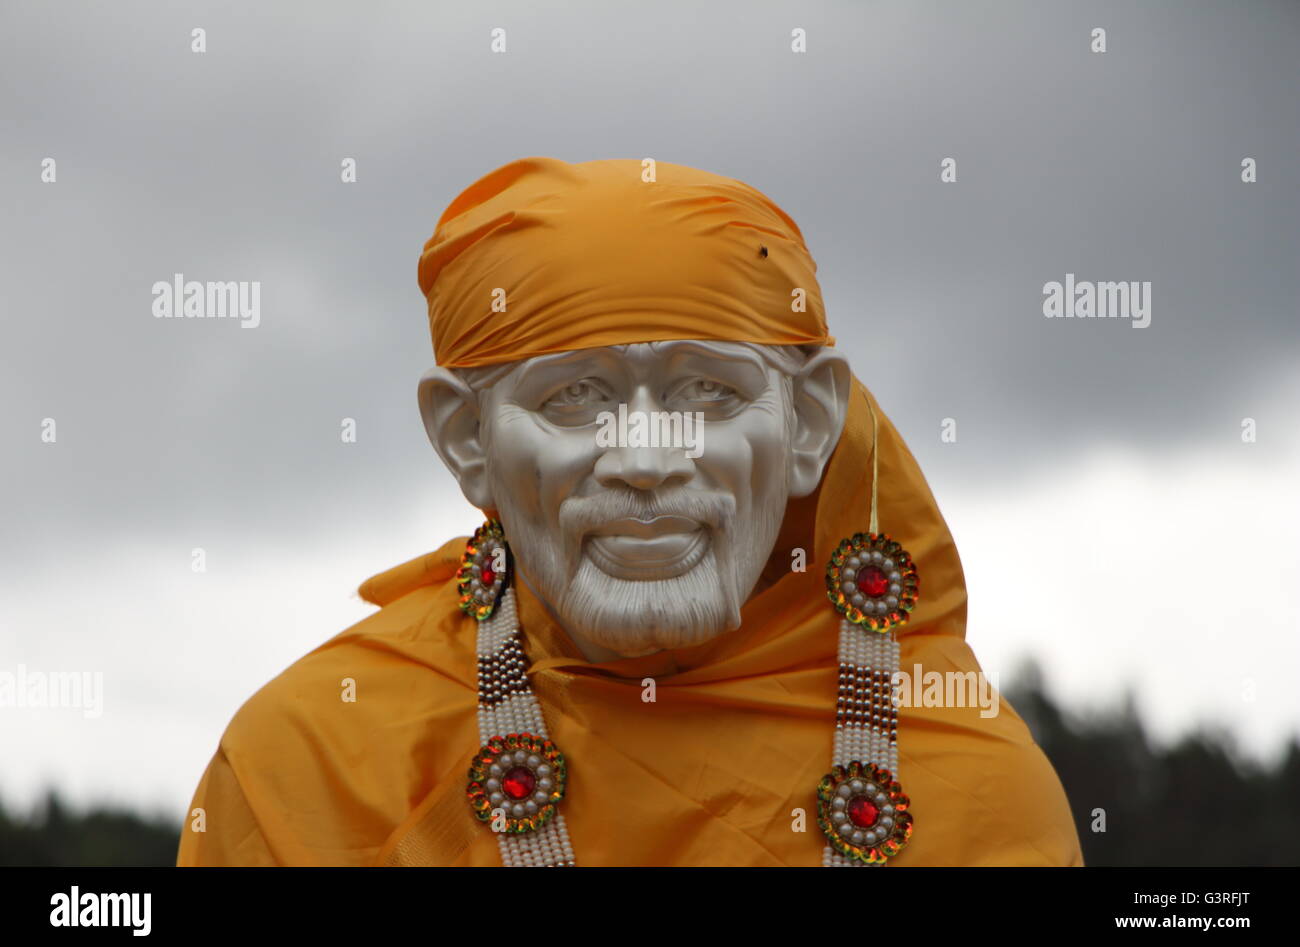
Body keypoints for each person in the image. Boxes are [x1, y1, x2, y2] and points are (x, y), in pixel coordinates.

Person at [178, 157, 1082, 866]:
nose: (647, 462)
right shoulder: (311, 761)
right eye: (573, 397)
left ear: (807, 424)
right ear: (465, 438)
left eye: (712, 393)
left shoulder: (971, 783)